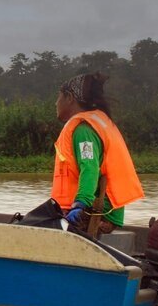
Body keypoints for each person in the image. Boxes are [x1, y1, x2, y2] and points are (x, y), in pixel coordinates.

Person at [52, 72, 144, 235]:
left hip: (93, 213)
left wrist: (80, 205)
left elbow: (90, 167)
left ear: (69, 98)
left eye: (59, 97)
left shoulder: (83, 130)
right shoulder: (97, 122)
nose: (55, 103)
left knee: (31, 227)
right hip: (97, 212)